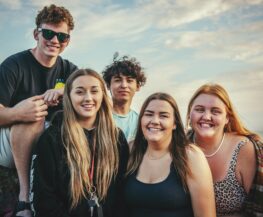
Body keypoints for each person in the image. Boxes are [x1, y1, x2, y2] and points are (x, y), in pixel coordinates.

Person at [0, 4, 77, 217]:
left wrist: (64, 93)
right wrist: (18, 113)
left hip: (46, 143)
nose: (55, 41)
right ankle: (24, 199)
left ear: (67, 41)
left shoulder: (70, 71)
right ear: (36, 34)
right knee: (35, 113)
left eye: (62, 37)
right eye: (49, 33)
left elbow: (90, 99)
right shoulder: (13, 65)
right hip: (8, 145)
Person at [30, 69, 129, 217]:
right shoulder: (53, 137)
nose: (88, 98)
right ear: (69, 97)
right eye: (80, 92)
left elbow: (123, 192)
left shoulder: (117, 137)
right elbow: (43, 198)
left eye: (94, 91)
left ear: (103, 95)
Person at [124, 92, 216, 217]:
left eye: (163, 116)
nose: (155, 121)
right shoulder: (130, 151)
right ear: (141, 120)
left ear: (174, 124)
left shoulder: (191, 156)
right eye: (149, 114)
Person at [186, 83, 263, 216]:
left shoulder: (245, 149)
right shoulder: (179, 147)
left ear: (227, 118)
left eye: (215, 111)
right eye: (199, 109)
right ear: (189, 114)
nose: (206, 116)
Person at [102, 54, 146, 148]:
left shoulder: (141, 122)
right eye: (118, 80)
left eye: (129, 81)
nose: (124, 85)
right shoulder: (100, 117)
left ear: (138, 86)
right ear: (108, 86)